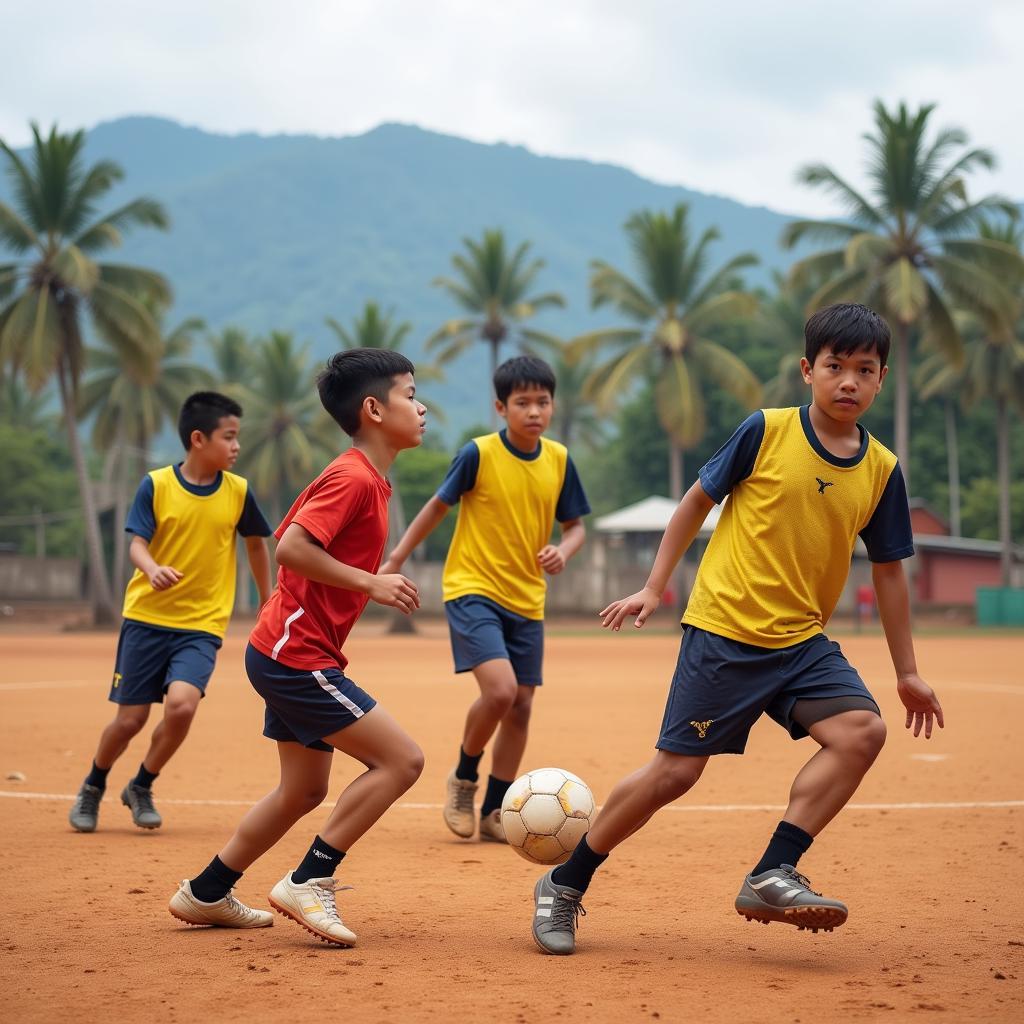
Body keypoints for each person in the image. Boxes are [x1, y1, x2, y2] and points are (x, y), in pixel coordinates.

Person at [530, 303, 945, 955]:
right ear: (809, 370)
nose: (848, 382)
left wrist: (908, 672)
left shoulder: (881, 470)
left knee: (861, 730)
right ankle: (565, 881)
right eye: (835, 366)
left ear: (881, 379)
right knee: (674, 775)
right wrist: (654, 587)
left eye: (864, 370)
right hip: (724, 632)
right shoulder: (765, 431)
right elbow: (694, 504)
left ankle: (772, 872)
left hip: (801, 643)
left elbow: (890, 573)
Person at [168, 349, 427, 946]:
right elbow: (290, 547)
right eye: (410, 394)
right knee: (401, 761)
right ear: (373, 408)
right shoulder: (354, 476)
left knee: (304, 789)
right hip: (295, 655)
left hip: (289, 650)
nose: (421, 406)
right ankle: (311, 878)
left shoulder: (370, 479)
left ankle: (205, 891)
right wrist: (371, 582)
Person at [382, 355, 590, 842]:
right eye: (523, 402)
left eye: (542, 402)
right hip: (472, 588)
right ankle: (463, 779)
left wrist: (565, 549)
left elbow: (576, 526)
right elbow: (437, 507)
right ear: (501, 407)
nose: (534, 411)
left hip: (527, 599)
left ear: (553, 405)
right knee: (499, 691)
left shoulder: (559, 460)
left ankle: (496, 810)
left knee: (520, 705)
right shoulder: (478, 453)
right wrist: (396, 559)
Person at [68, 392, 273, 833]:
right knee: (130, 720)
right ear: (198, 439)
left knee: (182, 706)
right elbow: (136, 543)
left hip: (201, 623)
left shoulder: (238, 492)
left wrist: (267, 597)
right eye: (229, 437)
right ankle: (93, 785)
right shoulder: (156, 485)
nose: (237, 446)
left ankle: (142, 784)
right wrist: (153, 568)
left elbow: (256, 544)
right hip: (146, 617)